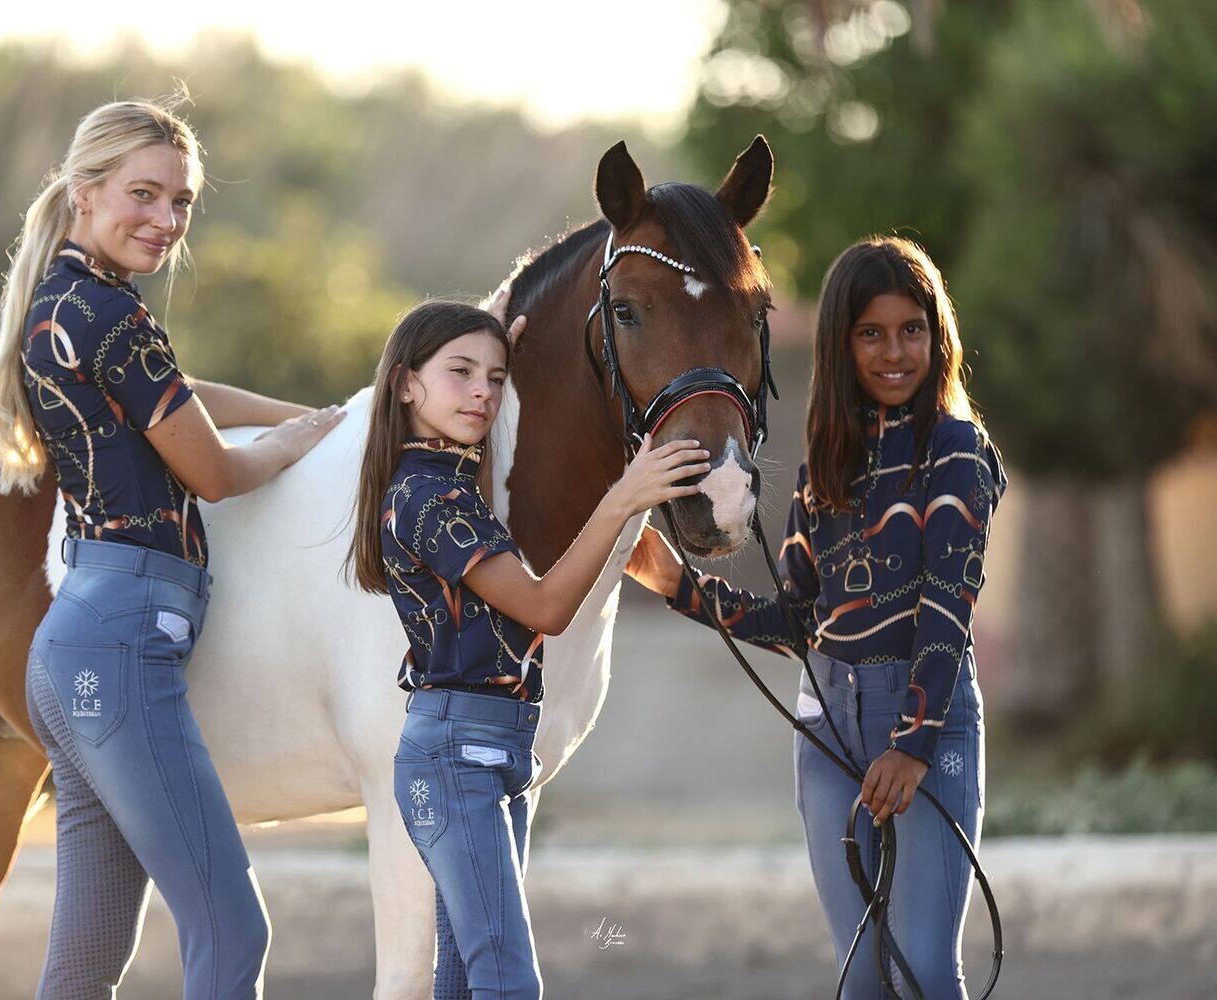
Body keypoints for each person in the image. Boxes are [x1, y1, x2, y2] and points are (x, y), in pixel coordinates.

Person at [0, 94, 344, 999]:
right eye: (142, 195)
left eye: (180, 202)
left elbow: (181, 394)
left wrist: (315, 415)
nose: (166, 220)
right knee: (230, 928)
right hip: (119, 644)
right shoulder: (108, 313)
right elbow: (215, 473)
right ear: (85, 192)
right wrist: (295, 444)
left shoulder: (70, 302)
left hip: (77, 647)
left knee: (85, 965)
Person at [626, 235, 1006, 999]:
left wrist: (912, 746)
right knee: (862, 977)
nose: (894, 352)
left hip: (927, 727)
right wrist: (677, 584)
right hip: (827, 729)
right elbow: (799, 623)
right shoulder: (824, 470)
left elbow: (947, 607)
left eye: (912, 330)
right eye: (871, 333)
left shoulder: (955, 450)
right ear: (841, 344)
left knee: (923, 972)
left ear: (938, 337)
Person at [346, 296, 710, 999]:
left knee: (464, 982)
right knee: (509, 984)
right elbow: (546, 608)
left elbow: (488, 461)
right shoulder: (431, 501)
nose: (482, 392)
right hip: (458, 758)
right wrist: (624, 497)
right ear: (405, 385)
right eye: (460, 373)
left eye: (495, 378)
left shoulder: (448, 484)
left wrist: (501, 354)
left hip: (488, 752)